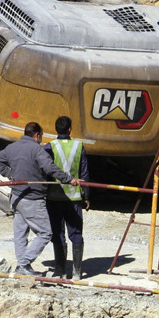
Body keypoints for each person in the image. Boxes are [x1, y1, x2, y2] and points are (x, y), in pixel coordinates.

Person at [0, 122, 72, 276]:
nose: (41, 139)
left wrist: (9, 174)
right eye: (41, 136)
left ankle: (23, 269)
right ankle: (23, 264)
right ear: (36, 135)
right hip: (32, 199)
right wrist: (68, 179)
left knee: (20, 234)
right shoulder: (36, 149)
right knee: (45, 233)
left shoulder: (12, 147)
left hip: (16, 197)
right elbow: (50, 168)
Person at [44, 116, 89, 279]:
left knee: (57, 233)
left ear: (56, 129)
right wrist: (86, 195)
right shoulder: (79, 146)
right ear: (70, 129)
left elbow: (45, 170)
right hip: (74, 197)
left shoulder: (50, 146)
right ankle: (77, 272)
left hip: (54, 198)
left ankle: (60, 271)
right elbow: (84, 173)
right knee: (76, 233)